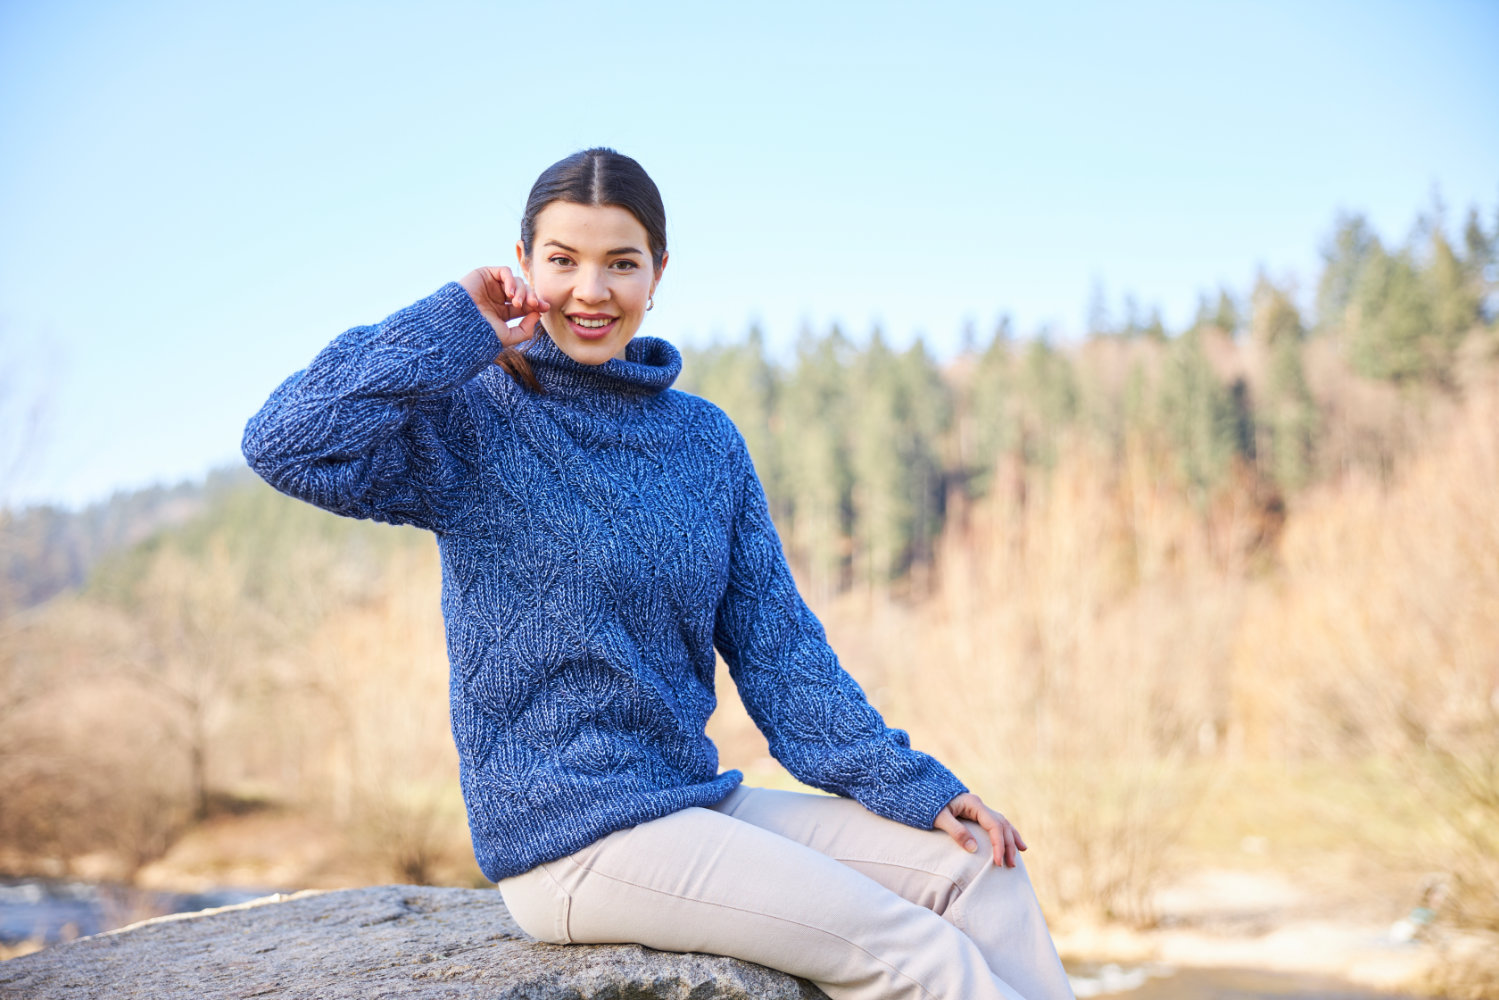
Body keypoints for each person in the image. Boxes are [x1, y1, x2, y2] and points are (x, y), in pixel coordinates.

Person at [243, 147, 1075, 1000]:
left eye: (620, 263)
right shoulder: (473, 421)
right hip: (569, 839)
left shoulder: (703, 440)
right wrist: (454, 320)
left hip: (689, 802)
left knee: (981, 872)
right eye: (562, 261)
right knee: (907, 948)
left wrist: (913, 788)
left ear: (658, 273)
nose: (590, 291)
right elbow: (285, 440)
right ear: (522, 263)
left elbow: (779, 649)